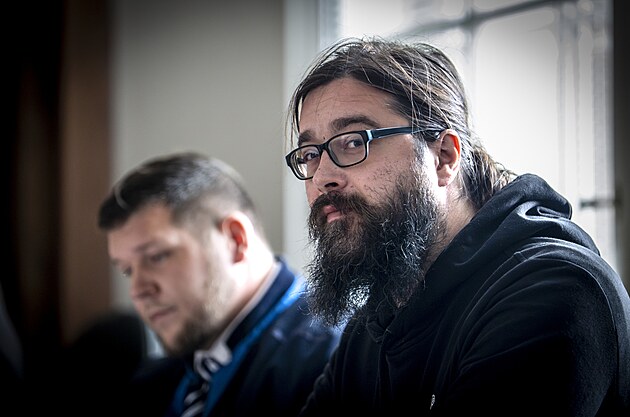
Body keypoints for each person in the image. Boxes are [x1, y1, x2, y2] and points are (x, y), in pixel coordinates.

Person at [284, 36, 630, 416]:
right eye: (310, 154)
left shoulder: (554, 290)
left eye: (353, 142)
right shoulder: (374, 323)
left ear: (444, 157)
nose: (323, 177)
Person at [97, 152, 341, 417]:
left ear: (235, 240)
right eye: (127, 270)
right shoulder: (155, 382)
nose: (137, 290)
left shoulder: (335, 365)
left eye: (157, 257)